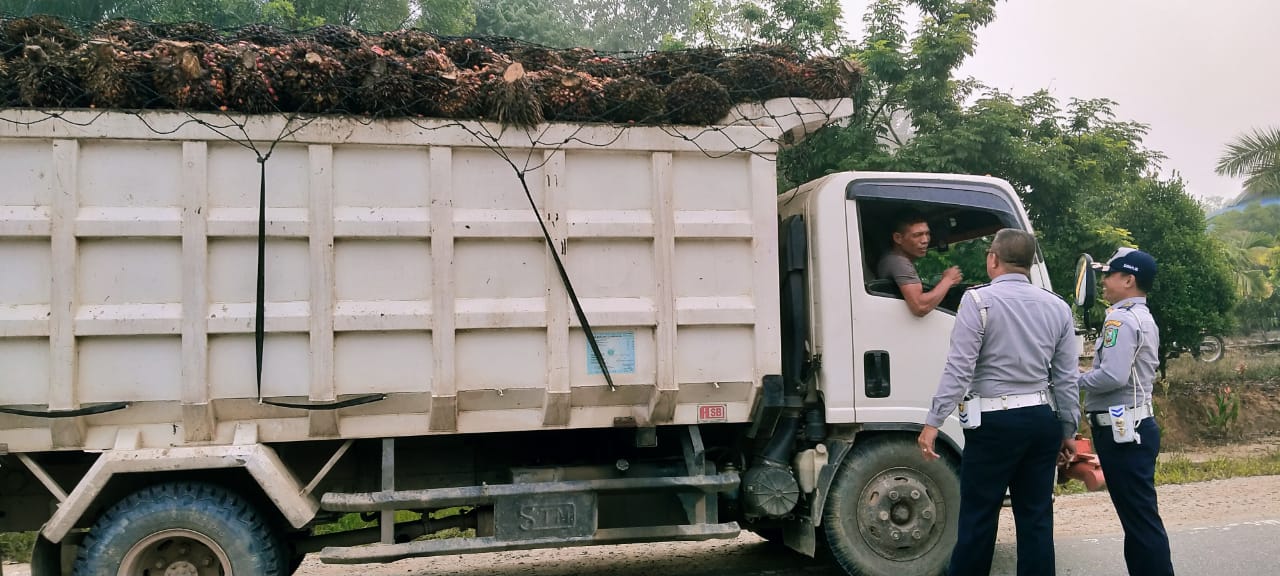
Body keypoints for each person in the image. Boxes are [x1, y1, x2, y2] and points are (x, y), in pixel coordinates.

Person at [916, 228, 1081, 576]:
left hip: (994, 424)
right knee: (1036, 519)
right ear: (1030, 263)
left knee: (978, 518)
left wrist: (933, 422)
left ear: (993, 259)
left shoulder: (977, 302)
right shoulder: (1058, 307)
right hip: (1041, 421)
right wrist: (1068, 430)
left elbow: (959, 369)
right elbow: (1066, 378)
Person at [1080, 248, 1175, 576]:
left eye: (1109, 274)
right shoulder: (1142, 316)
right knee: (1138, 522)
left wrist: (1071, 380)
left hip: (1123, 433)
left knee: (1141, 524)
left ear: (1128, 279)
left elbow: (1111, 376)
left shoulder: (1120, 318)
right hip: (1134, 427)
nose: (1103, 281)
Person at [877, 209, 963, 316]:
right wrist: (948, 280)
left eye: (927, 234)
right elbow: (920, 306)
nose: (925, 240)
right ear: (898, 238)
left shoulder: (889, 259)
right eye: (917, 235)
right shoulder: (898, 262)